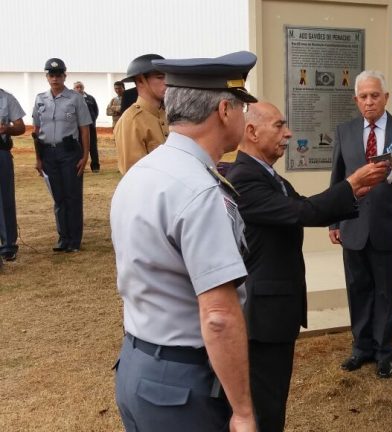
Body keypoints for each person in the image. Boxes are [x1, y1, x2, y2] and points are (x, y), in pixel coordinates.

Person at [110, 51, 260, 432]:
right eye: (243, 105)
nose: (245, 116)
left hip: (137, 365)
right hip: (181, 386)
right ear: (225, 110)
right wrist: (242, 411)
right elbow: (219, 316)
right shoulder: (199, 190)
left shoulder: (143, 173)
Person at [227, 101, 388, 432]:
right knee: (264, 405)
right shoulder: (245, 178)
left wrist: (353, 190)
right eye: (279, 125)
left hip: (276, 312)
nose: (288, 133)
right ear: (252, 131)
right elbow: (303, 213)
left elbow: (304, 206)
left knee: (273, 400)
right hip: (262, 317)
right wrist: (350, 183)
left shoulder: (268, 176)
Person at [329, 70, 392, 378]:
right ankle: (361, 347)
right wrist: (333, 221)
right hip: (354, 224)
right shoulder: (345, 131)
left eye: (375, 95)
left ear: (386, 97)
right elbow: (338, 179)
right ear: (356, 100)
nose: (369, 102)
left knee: (385, 290)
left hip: (390, 225)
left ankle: (384, 351)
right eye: (363, 97)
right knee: (358, 288)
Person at [32, 58, 91, 253]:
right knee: (58, 197)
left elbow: (84, 129)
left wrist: (85, 155)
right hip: (48, 152)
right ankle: (63, 237)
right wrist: (38, 158)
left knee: (72, 196)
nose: (55, 78)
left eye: (58, 75)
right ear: (47, 77)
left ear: (65, 76)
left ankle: (74, 240)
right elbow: (36, 129)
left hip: (69, 152)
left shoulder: (76, 98)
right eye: (51, 75)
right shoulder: (40, 99)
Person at [114, 53, 168, 174]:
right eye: (160, 77)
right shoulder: (131, 121)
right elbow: (132, 173)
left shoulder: (168, 114)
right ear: (140, 80)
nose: (167, 82)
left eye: (167, 77)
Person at [0, 88, 25, 262]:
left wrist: (6, 128)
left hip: (1, 152)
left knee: (5, 199)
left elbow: (20, 126)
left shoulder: (7, 98)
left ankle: (8, 246)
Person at [72, 81, 100, 173]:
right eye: (77, 87)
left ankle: (95, 167)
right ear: (74, 89)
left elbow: (95, 111)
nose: (79, 89)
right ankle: (79, 167)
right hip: (77, 128)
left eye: (80, 87)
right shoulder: (71, 99)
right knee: (78, 147)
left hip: (90, 127)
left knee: (93, 147)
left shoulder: (90, 98)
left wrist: (91, 121)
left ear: (83, 88)